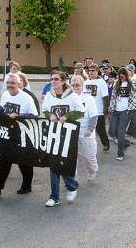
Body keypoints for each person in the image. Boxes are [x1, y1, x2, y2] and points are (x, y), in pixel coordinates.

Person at [0, 73, 39, 196]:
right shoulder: (5, 94)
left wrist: (19, 116)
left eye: (12, 83)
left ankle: (27, 186)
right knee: (4, 159)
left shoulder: (26, 98)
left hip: (23, 135)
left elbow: (35, 116)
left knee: (24, 162)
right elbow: (2, 107)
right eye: (8, 83)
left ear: (19, 84)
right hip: (8, 134)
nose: (10, 85)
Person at [42, 71, 85, 207]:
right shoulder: (49, 96)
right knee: (53, 163)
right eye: (51, 79)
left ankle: (72, 185)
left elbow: (81, 111)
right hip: (54, 133)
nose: (53, 81)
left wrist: (68, 116)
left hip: (69, 134)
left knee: (64, 162)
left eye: (56, 79)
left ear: (63, 81)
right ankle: (54, 197)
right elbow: (45, 110)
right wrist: (50, 115)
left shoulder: (72, 96)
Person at [71, 75, 99, 181]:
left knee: (88, 156)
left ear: (82, 85)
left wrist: (90, 128)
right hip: (72, 132)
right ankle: (73, 178)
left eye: (77, 85)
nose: (75, 87)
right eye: (73, 85)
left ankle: (92, 170)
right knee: (71, 158)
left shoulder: (88, 98)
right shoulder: (68, 97)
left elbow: (93, 115)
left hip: (85, 131)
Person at [108, 67, 136, 160]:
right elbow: (113, 96)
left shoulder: (132, 83)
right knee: (113, 130)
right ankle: (126, 143)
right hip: (115, 110)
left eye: (123, 74)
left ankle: (120, 154)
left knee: (121, 132)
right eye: (120, 75)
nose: (121, 76)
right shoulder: (116, 83)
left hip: (126, 110)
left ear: (126, 75)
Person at [84, 64, 111, 151]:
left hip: (99, 111)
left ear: (97, 71)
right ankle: (88, 145)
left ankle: (106, 144)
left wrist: (106, 111)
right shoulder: (86, 82)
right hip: (88, 110)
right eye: (90, 70)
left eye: (93, 70)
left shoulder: (101, 82)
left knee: (100, 129)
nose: (91, 72)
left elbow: (105, 97)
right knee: (88, 128)